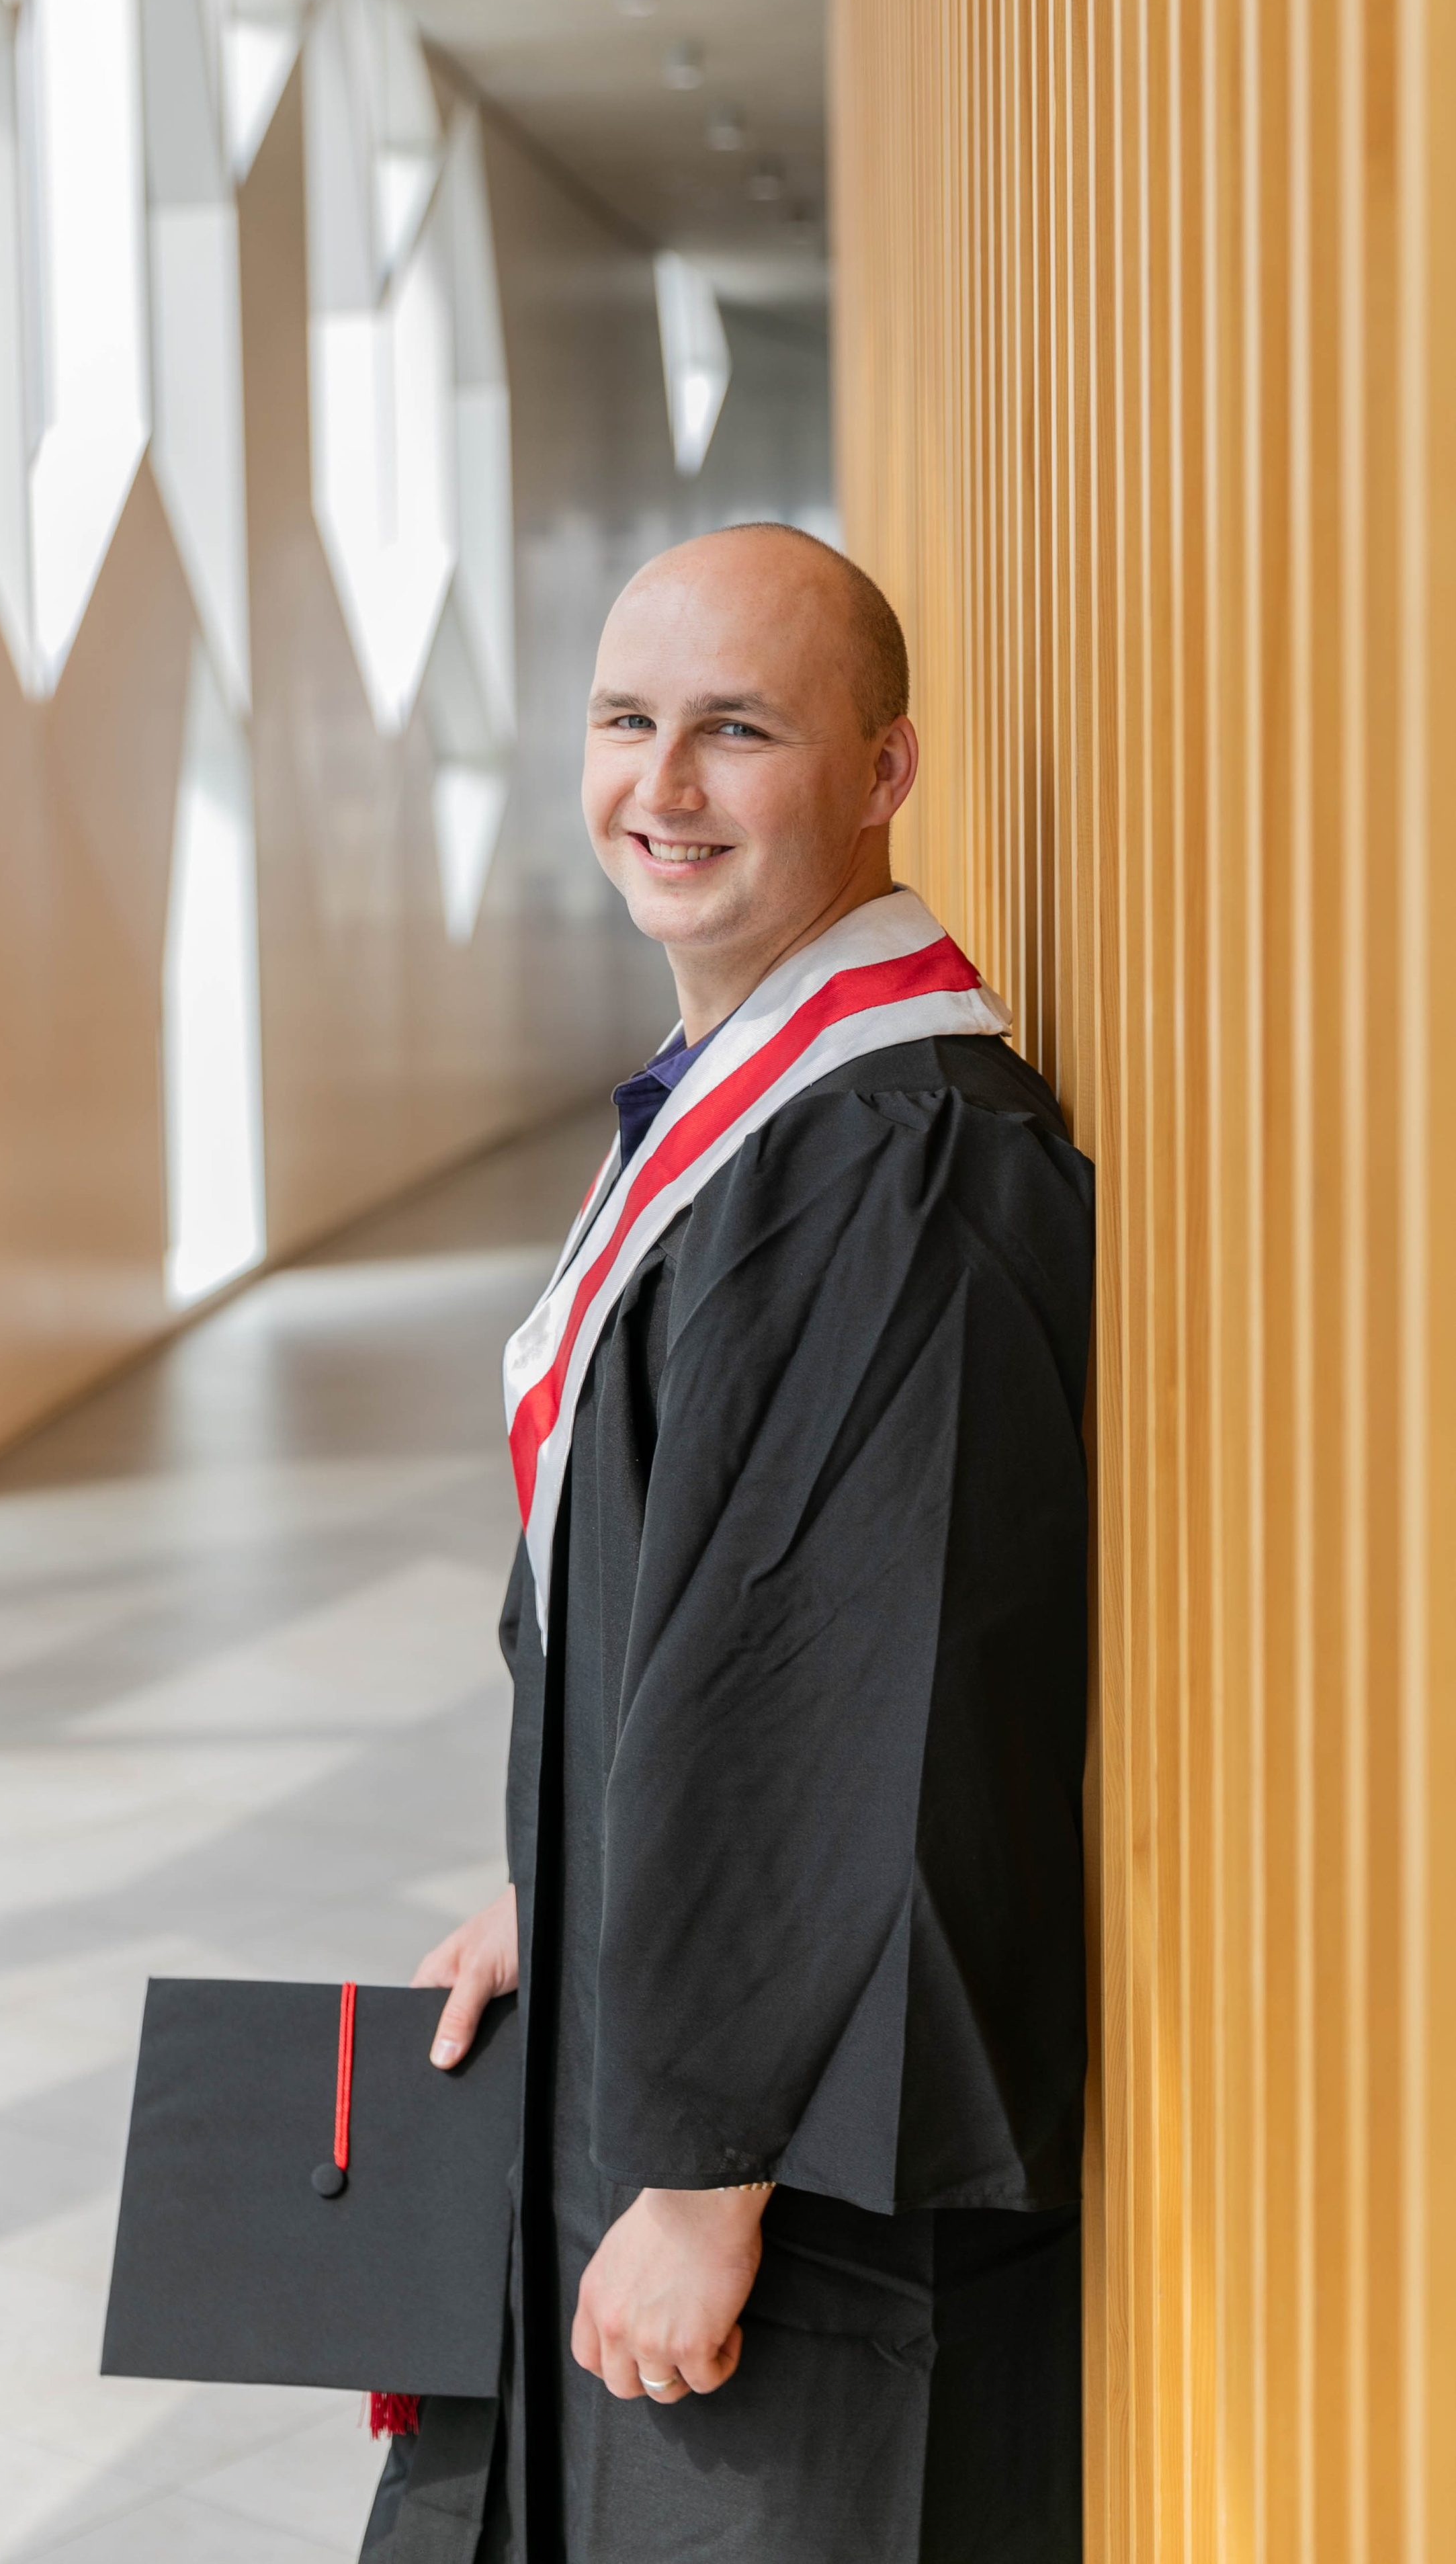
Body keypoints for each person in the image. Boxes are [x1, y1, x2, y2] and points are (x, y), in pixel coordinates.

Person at [360, 524, 1093, 2563]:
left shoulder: (905, 1156)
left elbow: (854, 1681)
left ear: (883, 771)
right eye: (626, 722)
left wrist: (707, 2182)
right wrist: (561, 1873)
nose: (661, 789)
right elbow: (689, 1597)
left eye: (736, 731)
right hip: (687, 2076)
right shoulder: (754, 1116)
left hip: (792, 2192)